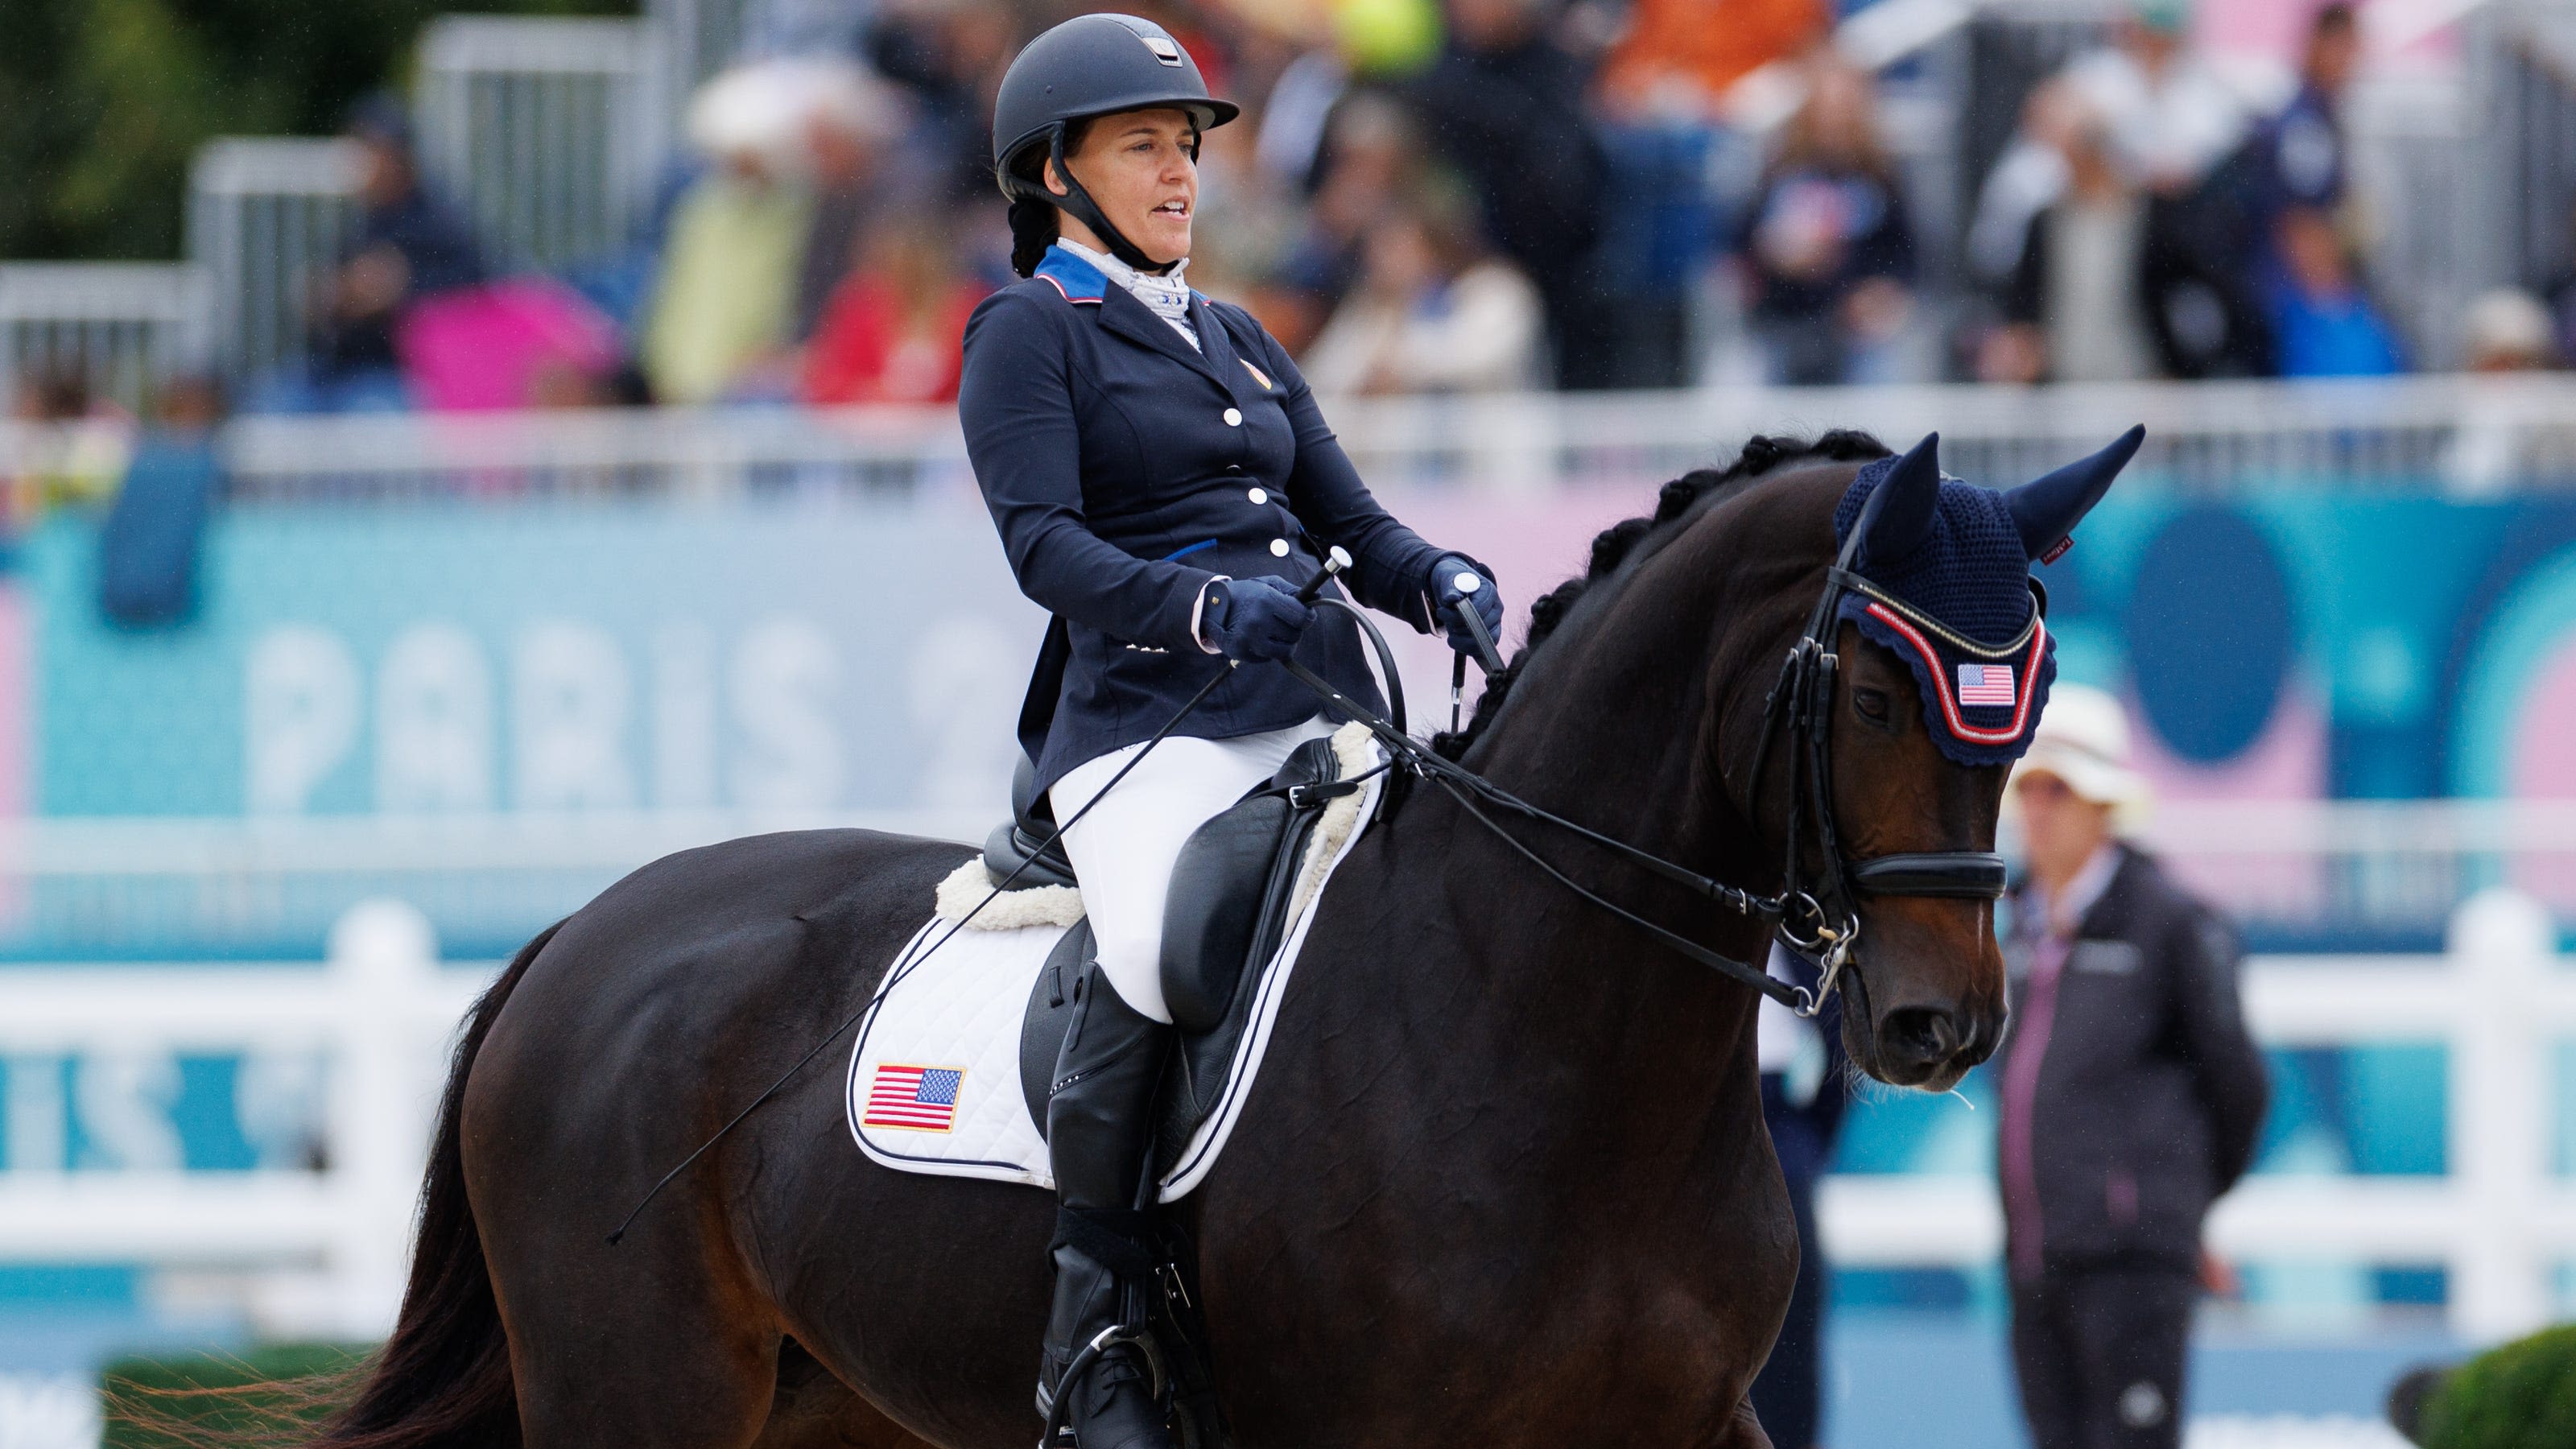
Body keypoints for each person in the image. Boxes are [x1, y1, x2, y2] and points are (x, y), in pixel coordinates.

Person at [958, 17, 1505, 1448]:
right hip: (1150, 724)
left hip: (1316, 707)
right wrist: (1196, 613)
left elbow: (1347, 521)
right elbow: (1045, 548)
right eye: (1143, 144)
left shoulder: (1240, 334)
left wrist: (1434, 576)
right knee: (1154, 941)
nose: (1180, 170)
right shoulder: (1028, 331)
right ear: (1055, 174)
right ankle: (1097, 1320)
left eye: (1186, 144)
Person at [1997, 683, 2269, 1449]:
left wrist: (2170, 1206)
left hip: (2130, 1263)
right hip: (2034, 1256)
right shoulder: (2016, 921)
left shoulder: (2171, 923)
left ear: (2104, 808)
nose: (2040, 810)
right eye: (2031, 790)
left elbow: (2237, 1080)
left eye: (2061, 791)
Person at [1738, 57, 1916, 386]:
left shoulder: (1882, 176)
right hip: (1785, 324)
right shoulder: (1779, 170)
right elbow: (1741, 241)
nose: (1835, 117)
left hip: (1857, 336)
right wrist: (1776, 255)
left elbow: (1908, 254)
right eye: (1827, 105)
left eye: (1845, 105)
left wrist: (1881, 293)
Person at [1298, 190, 1543, 395]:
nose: (1384, 263)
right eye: (1377, 251)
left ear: (1434, 246)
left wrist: (1398, 362)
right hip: (1403, 451)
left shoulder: (1497, 290)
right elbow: (1323, 379)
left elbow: (1469, 356)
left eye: (1398, 248)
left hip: (1485, 447)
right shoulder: (1372, 309)